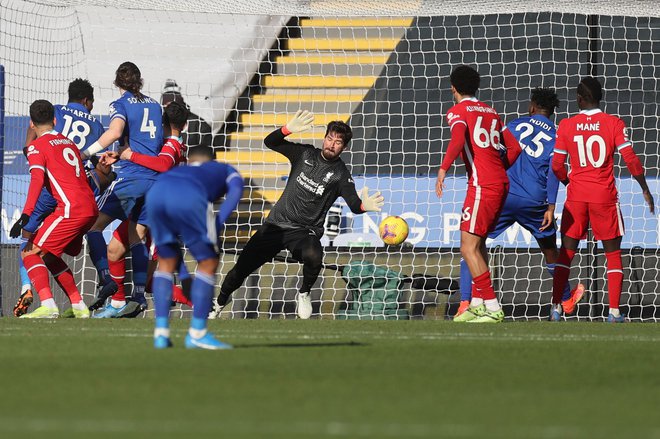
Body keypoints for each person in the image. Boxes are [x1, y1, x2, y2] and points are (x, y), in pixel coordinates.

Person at [209, 111, 384, 319]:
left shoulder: (340, 175)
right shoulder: (304, 154)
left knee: (314, 256)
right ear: (324, 138)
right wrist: (287, 129)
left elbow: (354, 205)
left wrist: (364, 206)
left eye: (338, 142)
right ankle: (219, 304)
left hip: (303, 231)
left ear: (344, 147)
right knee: (238, 272)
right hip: (275, 225)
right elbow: (270, 142)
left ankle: (304, 293)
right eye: (330, 138)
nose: (332, 144)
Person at [454, 88, 585, 321]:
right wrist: (551, 205)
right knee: (550, 252)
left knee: (473, 245)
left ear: (532, 107)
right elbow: (556, 171)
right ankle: (565, 300)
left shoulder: (514, 125)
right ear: (552, 112)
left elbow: (496, 153)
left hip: (503, 195)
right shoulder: (557, 136)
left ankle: (466, 302)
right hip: (534, 201)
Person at [551, 77, 654, 322]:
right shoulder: (613, 123)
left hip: (576, 198)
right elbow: (630, 158)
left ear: (579, 98)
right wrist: (644, 187)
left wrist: (570, 183)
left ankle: (556, 308)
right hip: (603, 197)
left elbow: (556, 166)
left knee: (566, 253)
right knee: (612, 253)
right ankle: (614, 312)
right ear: (600, 98)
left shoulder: (567, 125)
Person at [12, 78, 112, 317]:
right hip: (89, 206)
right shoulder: (69, 143)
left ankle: (46, 303)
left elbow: (37, 180)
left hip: (66, 207)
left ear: (32, 124)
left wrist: (25, 214)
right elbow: (90, 173)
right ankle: (79, 306)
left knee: (29, 250)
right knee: (49, 254)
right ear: (54, 121)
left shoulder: (38, 147)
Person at [436, 65, 521, 323]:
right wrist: (497, 168)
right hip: (499, 182)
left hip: (483, 185)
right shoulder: (491, 112)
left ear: (453, 87)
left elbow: (457, 138)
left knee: (467, 246)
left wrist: (443, 170)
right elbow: (514, 147)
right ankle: (476, 303)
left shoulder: (458, 111)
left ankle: (493, 307)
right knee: (479, 243)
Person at [92, 101, 190, 317]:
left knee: (147, 282)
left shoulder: (172, 146)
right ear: (184, 125)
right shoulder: (170, 144)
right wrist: (121, 155)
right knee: (114, 250)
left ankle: (200, 303)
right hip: (152, 208)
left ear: (162, 122)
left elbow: (162, 165)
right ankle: (117, 303)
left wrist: (130, 156)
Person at [81, 62, 163, 316]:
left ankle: (107, 281)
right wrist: (119, 154)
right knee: (136, 236)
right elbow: (148, 144)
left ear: (117, 83)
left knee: (93, 226)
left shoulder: (121, 104)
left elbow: (115, 131)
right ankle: (138, 296)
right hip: (154, 179)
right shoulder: (155, 105)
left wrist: (87, 152)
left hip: (131, 178)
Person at [146, 145, 243, 349]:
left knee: (165, 261)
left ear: (190, 160)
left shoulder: (178, 170)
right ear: (212, 161)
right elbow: (236, 191)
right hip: (189, 196)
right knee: (209, 262)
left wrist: (184, 277)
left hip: (156, 192)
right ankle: (198, 333)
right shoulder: (224, 169)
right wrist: (217, 225)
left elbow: (175, 247)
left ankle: (161, 334)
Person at [161, 79, 213, 148]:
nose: (170, 110)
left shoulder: (199, 125)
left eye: (172, 106)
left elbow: (205, 153)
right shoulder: (160, 123)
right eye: (166, 106)